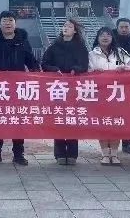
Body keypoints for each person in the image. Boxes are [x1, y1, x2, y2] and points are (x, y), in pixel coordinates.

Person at [0, 10, 39, 166]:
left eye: (10, 20)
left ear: (15, 23)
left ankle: (18, 154)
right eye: (4, 20)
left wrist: (38, 72)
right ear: (0, 23)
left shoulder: (22, 40)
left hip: (18, 88)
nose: (8, 23)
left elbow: (30, 60)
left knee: (18, 120)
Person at [41, 18, 89, 165]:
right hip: (58, 88)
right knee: (59, 119)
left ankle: (72, 154)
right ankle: (60, 153)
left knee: (73, 120)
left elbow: (84, 65)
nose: (66, 28)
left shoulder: (81, 47)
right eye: (64, 26)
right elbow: (44, 63)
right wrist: (54, 69)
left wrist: (76, 69)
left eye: (69, 26)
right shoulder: (54, 46)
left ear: (75, 31)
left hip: (75, 88)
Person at [88, 27, 130, 166]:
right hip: (100, 94)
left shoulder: (121, 52)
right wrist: (93, 71)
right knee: (103, 124)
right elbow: (85, 71)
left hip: (117, 94)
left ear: (112, 38)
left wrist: (124, 68)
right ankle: (105, 154)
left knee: (115, 123)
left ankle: (114, 154)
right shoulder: (91, 54)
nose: (105, 37)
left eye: (108, 35)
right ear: (97, 38)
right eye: (102, 35)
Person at [112, 17, 130, 155]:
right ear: (117, 28)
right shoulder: (109, 41)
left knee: (129, 115)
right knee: (112, 114)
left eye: (126, 27)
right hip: (112, 85)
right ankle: (111, 145)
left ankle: (127, 144)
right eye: (121, 27)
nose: (124, 29)